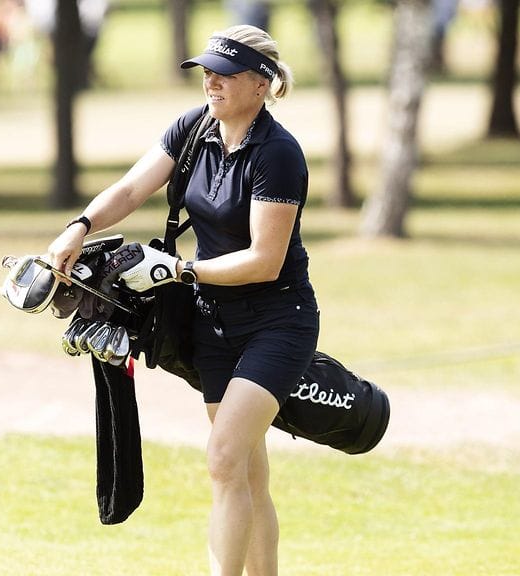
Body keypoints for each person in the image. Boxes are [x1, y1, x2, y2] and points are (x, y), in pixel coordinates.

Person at [45, 24, 318, 576]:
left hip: (277, 322)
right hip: (213, 321)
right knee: (246, 471)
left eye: (226, 74)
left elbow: (264, 260)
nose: (211, 82)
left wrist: (179, 270)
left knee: (224, 459)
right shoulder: (194, 129)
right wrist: (80, 226)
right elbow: (130, 189)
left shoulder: (278, 154)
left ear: (261, 83)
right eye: (207, 72)